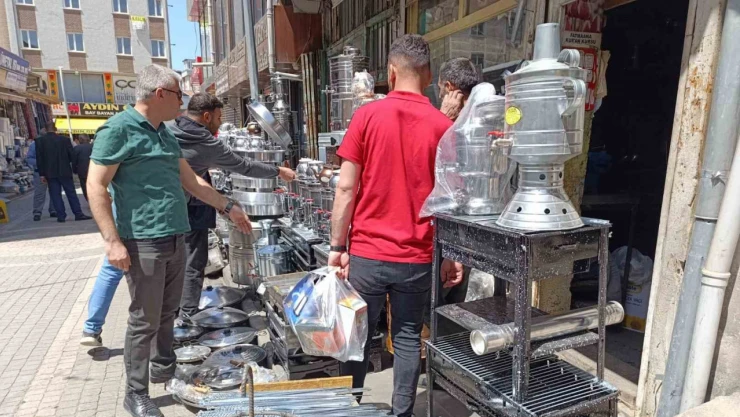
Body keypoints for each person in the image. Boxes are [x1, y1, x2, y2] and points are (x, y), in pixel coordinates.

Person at [86, 64, 253, 417]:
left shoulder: (165, 133)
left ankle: (163, 370)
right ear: (160, 93)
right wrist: (112, 241)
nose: (183, 103)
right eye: (180, 95)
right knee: (144, 320)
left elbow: (191, 181)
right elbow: (96, 185)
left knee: (167, 313)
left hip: (176, 235)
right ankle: (135, 393)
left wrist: (227, 206)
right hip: (143, 240)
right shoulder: (118, 130)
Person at [328, 34, 464, 417]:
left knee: (356, 337)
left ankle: (348, 408)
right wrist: (452, 255)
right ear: (429, 75)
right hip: (417, 258)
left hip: (367, 255)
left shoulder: (366, 116)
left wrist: (337, 247)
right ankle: (402, 412)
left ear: (390, 72)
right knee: (406, 337)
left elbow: (346, 187)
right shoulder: (443, 127)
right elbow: (451, 199)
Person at [167, 93, 296, 318]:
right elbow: (243, 166)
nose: (219, 123)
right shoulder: (205, 142)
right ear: (206, 116)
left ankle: (173, 311)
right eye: (218, 118)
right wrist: (277, 171)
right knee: (194, 262)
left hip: (167, 209)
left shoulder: (169, 131)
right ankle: (188, 315)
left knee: (175, 262)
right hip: (192, 208)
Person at [35, 122, 92, 222]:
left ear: (45, 129)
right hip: (65, 170)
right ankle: (78, 213)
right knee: (71, 193)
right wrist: (69, 163)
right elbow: (72, 155)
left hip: (50, 172)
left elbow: (39, 159)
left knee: (55, 194)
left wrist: (42, 174)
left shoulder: (40, 141)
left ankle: (61, 216)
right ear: (56, 129)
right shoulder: (65, 140)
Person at [438, 57, 481, 121]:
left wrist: (442, 118)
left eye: (439, 88)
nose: (439, 95)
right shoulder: (484, 111)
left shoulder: (449, 119)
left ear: (448, 86)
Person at [26, 136, 57, 221]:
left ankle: (54, 210)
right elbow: (29, 158)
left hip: (53, 171)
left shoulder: (55, 143)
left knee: (54, 192)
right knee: (39, 193)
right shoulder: (34, 145)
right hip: (39, 172)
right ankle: (37, 212)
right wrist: (40, 163)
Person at [72, 134, 93, 201]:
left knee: (84, 187)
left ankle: (89, 200)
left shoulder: (77, 148)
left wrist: (74, 170)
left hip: (82, 171)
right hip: (93, 171)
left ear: (80, 140)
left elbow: (74, 161)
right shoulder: (93, 147)